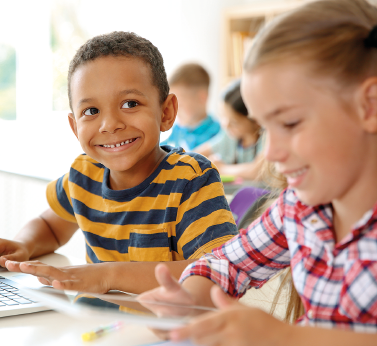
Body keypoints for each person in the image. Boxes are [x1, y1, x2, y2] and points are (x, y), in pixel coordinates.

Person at [138, 0, 377, 344]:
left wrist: (285, 338)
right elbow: (229, 263)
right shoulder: (298, 208)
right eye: (265, 128)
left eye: (290, 122)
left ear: (369, 105)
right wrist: (191, 297)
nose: (270, 152)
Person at [0, 31, 237, 295]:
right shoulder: (83, 175)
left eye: (129, 104)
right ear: (74, 126)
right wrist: (24, 243)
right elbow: (50, 226)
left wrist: (107, 275)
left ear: (166, 112)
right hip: (99, 325)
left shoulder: (191, 179)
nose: (110, 125)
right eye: (91, 111)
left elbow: (218, 270)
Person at [193, 78, 264, 180]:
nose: (225, 125)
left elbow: (257, 171)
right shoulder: (229, 136)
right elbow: (195, 155)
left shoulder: (266, 138)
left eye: (234, 122)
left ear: (256, 120)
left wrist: (221, 168)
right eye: (223, 117)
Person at [162, 63, 221, 151]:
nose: (174, 112)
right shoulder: (177, 130)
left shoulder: (218, 133)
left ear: (202, 98)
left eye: (180, 105)